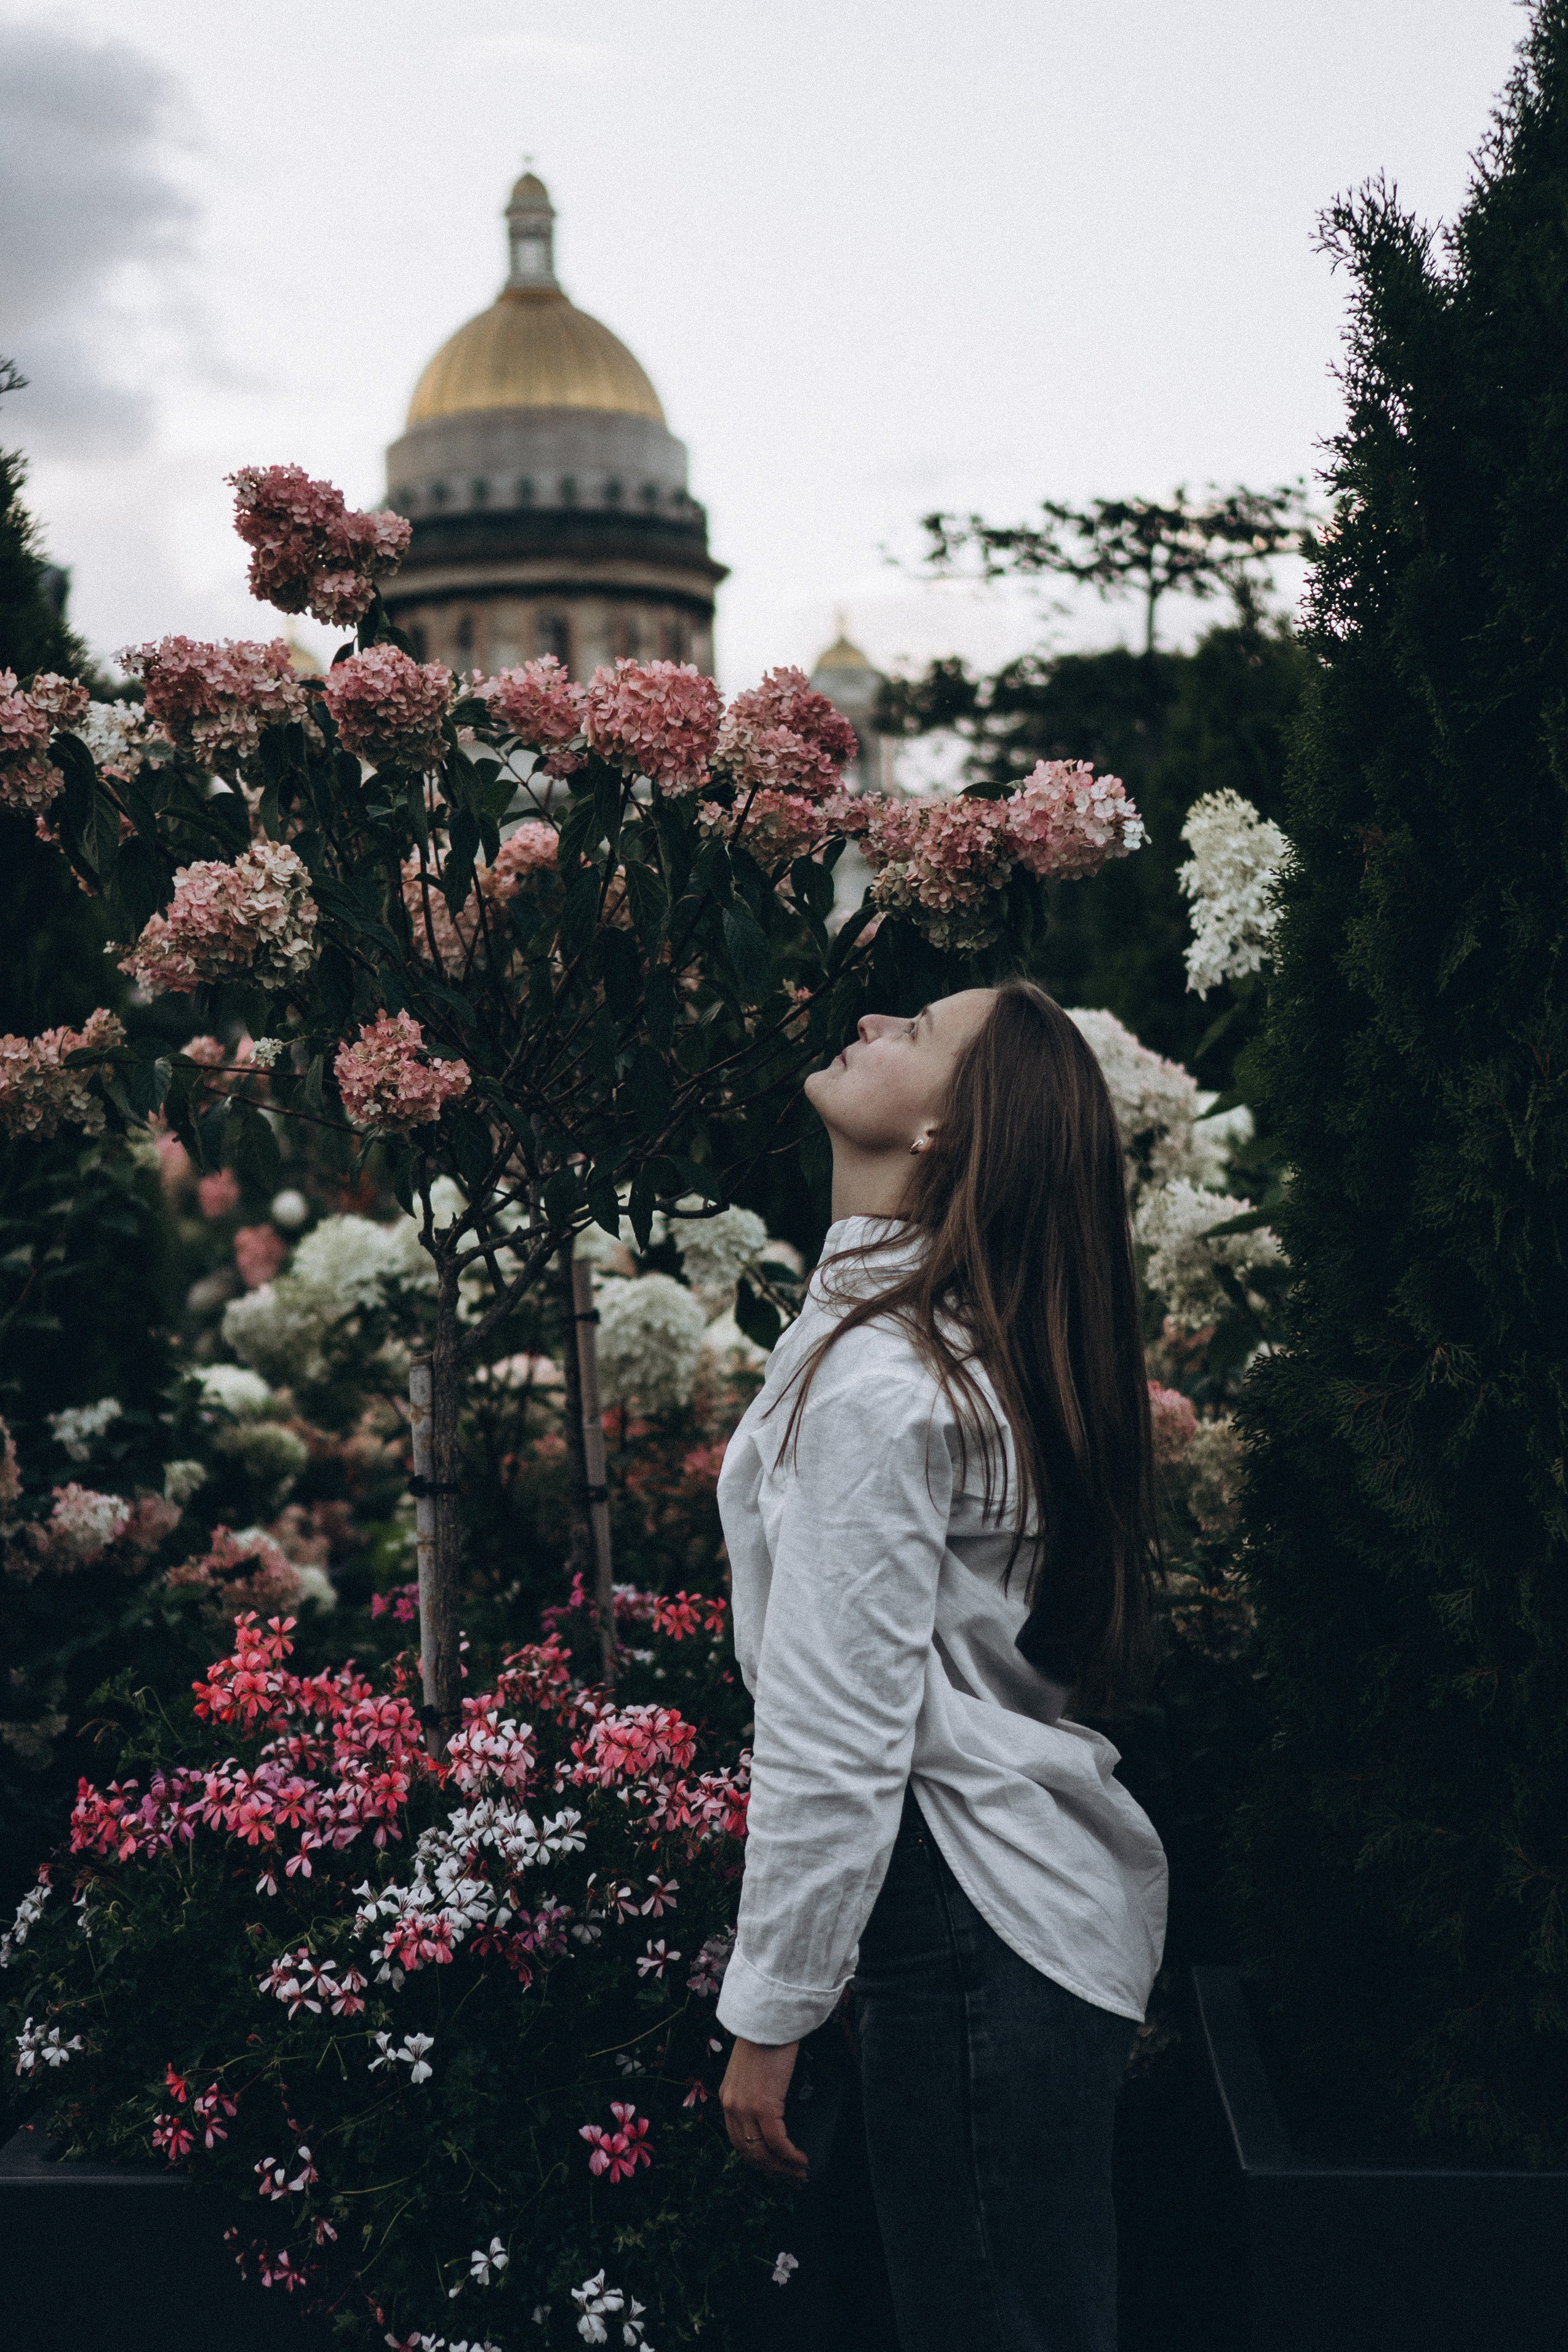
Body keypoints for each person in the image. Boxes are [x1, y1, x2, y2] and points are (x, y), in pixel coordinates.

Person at [715, 982, 1169, 2352]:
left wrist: (770, 2010)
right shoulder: (913, 1345)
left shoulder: (884, 1379)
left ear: (946, 1133)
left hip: (967, 1920)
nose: (871, 1025)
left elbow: (838, 1728)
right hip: (994, 1924)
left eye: (916, 1032)